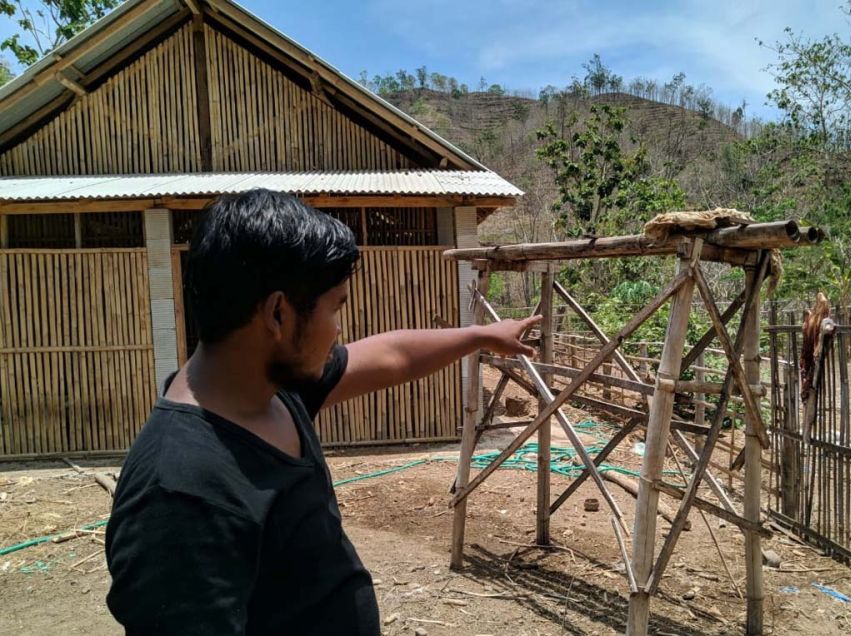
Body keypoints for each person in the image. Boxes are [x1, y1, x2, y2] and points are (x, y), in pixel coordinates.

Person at [105, 189, 540, 635]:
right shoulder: (182, 496)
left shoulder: (268, 388)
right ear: (278, 314)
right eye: (335, 308)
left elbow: (392, 354)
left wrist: (483, 335)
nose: (339, 329)